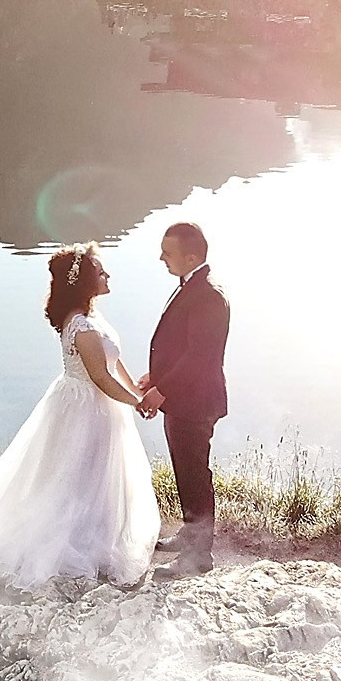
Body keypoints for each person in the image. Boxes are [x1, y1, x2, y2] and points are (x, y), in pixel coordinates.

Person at [0, 244, 161, 588]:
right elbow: (100, 378)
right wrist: (137, 403)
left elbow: (114, 363)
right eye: (101, 272)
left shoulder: (92, 317)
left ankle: (99, 529)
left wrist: (135, 386)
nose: (108, 276)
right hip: (85, 408)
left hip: (95, 404)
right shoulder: (80, 326)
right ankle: (72, 540)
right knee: (76, 474)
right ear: (87, 282)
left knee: (97, 474)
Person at [141, 222, 230, 577]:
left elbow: (199, 357)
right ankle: (190, 534)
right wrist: (156, 378)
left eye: (168, 252)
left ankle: (198, 557)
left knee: (194, 475)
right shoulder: (191, 287)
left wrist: (162, 391)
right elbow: (182, 347)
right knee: (184, 470)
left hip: (194, 402)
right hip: (183, 398)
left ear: (191, 256)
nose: (161, 257)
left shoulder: (208, 296)